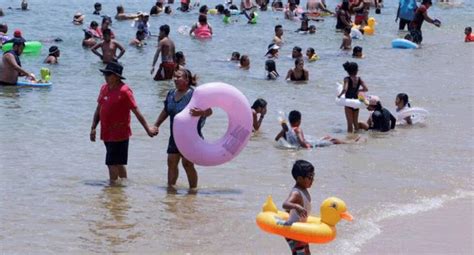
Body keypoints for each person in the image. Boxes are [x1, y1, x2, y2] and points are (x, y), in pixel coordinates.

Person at [90, 62, 157, 184]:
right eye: (105, 74)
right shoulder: (104, 88)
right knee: (118, 162)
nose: (105, 76)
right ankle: (123, 186)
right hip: (106, 132)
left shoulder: (125, 91)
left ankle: (113, 189)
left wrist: (148, 129)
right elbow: (98, 109)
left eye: (108, 74)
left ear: (116, 76)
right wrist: (93, 127)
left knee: (111, 163)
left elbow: (136, 111)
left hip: (120, 133)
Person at [151, 69, 212, 191]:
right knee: (171, 162)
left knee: (187, 164)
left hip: (191, 136)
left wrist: (201, 112)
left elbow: (209, 111)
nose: (175, 79)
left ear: (187, 80)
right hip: (175, 136)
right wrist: (156, 125)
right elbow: (166, 110)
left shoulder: (194, 94)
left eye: (178, 77)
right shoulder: (171, 93)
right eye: (174, 77)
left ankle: (193, 191)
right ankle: (171, 190)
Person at [281, 160, 314, 255]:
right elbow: (285, 204)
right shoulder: (296, 193)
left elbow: (287, 209)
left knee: (306, 252)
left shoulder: (303, 189)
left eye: (313, 176)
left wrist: (290, 211)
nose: (312, 179)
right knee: (300, 253)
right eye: (309, 177)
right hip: (294, 231)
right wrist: (296, 206)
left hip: (300, 230)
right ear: (299, 179)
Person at [337, 62, 368, 133]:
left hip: (349, 103)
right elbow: (366, 89)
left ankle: (350, 139)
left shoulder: (347, 79)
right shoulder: (359, 79)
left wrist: (339, 95)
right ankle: (357, 135)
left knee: (349, 123)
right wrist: (358, 90)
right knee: (355, 122)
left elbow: (345, 89)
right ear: (356, 70)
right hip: (356, 103)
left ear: (348, 71)